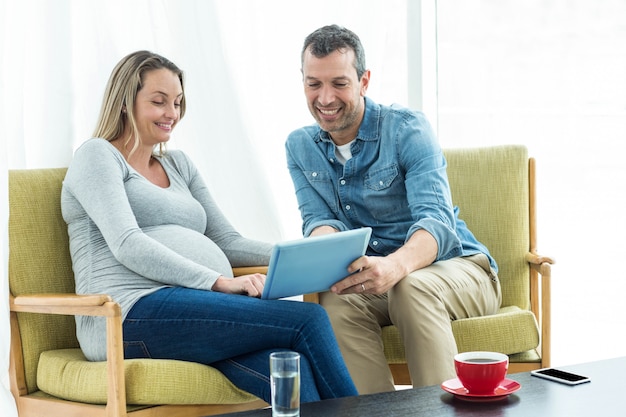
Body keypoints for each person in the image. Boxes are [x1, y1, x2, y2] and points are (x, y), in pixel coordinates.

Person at [61, 50, 357, 403]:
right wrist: (219, 282)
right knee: (308, 320)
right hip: (126, 316)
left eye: (177, 102)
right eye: (159, 101)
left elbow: (226, 241)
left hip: (193, 311)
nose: (172, 113)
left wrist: (305, 254)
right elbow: (127, 243)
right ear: (126, 102)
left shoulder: (178, 165)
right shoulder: (98, 155)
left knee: (291, 370)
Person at [285, 25, 502, 394]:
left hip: (457, 269)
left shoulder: (406, 129)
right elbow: (319, 221)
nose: (325, 98)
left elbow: (436, 221)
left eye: (339, 83)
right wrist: (321, 250)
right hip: (379, 282)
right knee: (334, 304)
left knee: (411, 287)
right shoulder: (300, 145)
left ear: (364, 80)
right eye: (313, 84)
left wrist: (394, 266)